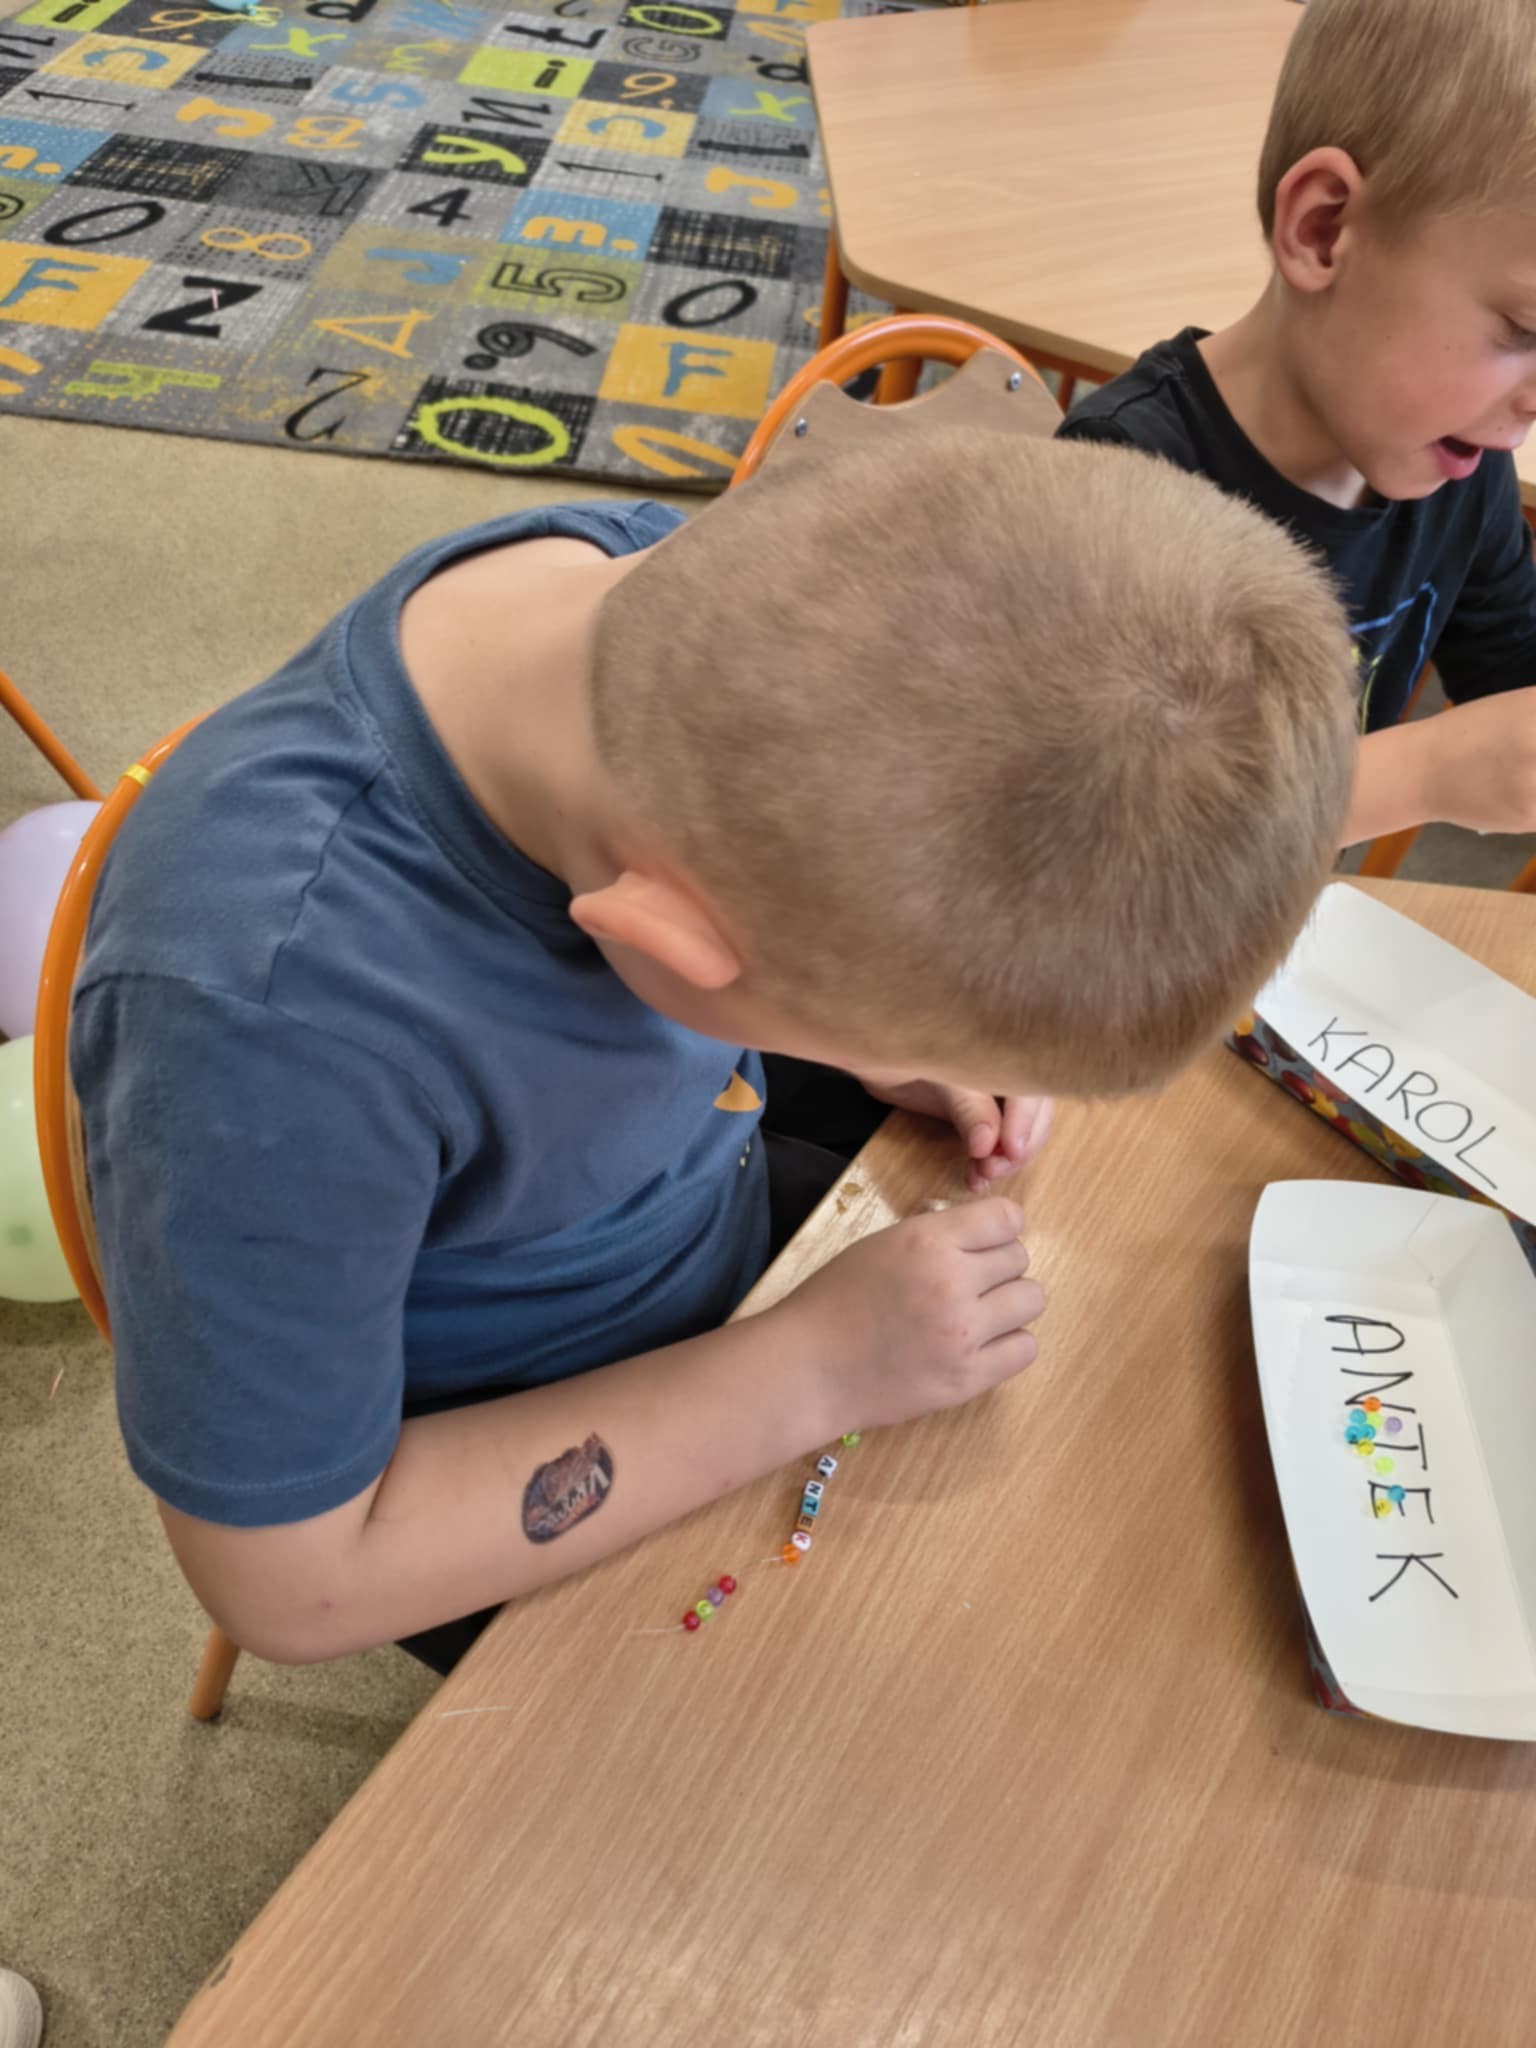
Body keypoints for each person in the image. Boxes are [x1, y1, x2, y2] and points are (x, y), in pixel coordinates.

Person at [71, 429, 1356, 1675]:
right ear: (672, 943)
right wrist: (811, 1370)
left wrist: (878, 1034)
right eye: (882, 1026)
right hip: (470, 1495)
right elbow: (294, 1585)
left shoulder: (685, 593)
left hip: (715, 1252)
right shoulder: (270, 1025)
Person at [1059, 0, 1536, 849]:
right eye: (1524, 330)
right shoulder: (1119, 485)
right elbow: (1106, 844)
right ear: (1323, 230)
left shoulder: (1461, 466)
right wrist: (1426, 774)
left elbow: (1515, 671)